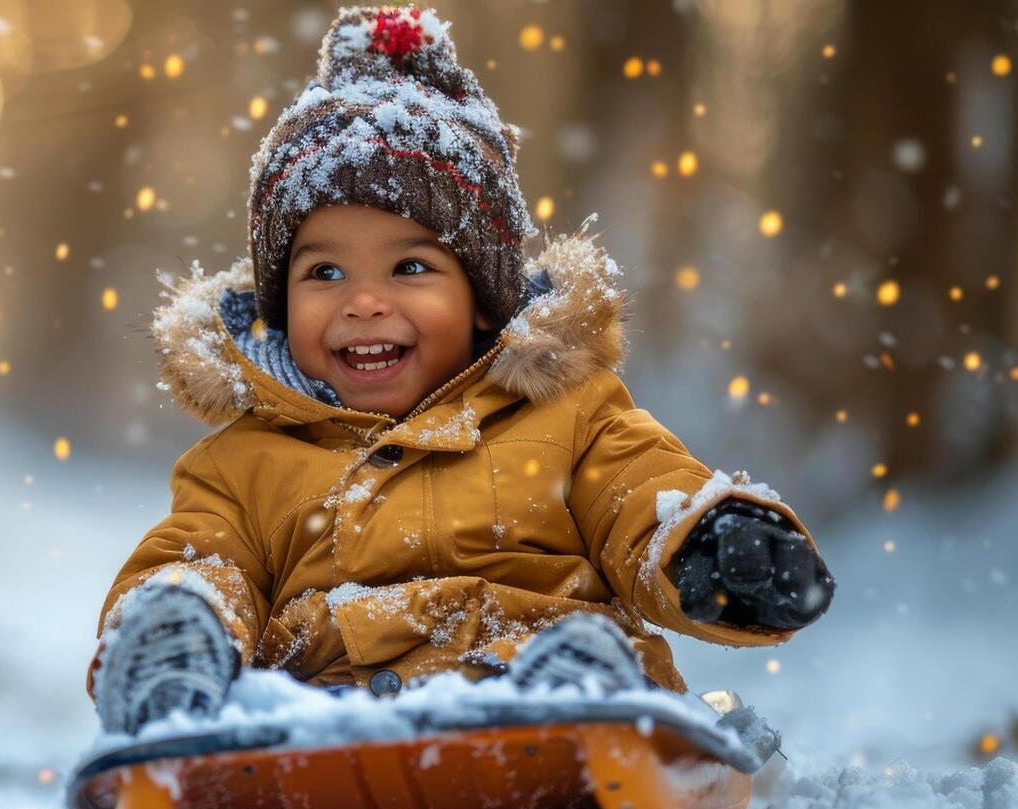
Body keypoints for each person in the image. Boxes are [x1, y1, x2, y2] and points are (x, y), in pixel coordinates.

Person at [88, 5, 834, 736]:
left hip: (530, 671)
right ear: (281, 303)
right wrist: (179, 620)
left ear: (484, 299)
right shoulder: (241, 465)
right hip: (325, 718)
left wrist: (709, 545)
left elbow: (643, 496)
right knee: (227, 653)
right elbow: (201, 555)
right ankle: (215, 720)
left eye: (410, 266)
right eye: (323, 272)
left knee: (568, 655)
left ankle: (582, 707)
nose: (365, 302)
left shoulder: (569, 418)